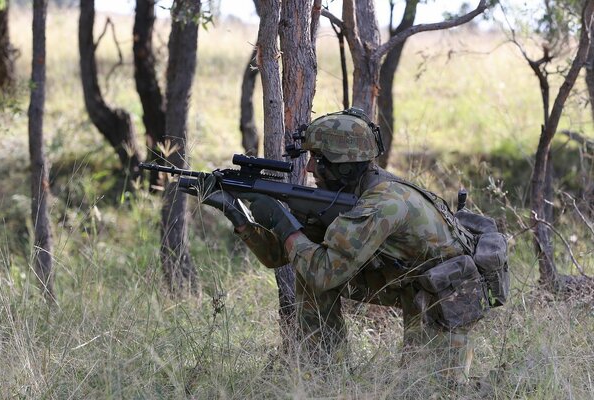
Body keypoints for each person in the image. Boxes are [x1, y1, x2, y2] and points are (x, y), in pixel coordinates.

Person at [199, 108, 489, 385]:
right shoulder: (349, 192)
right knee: (308, 260)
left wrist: (282, 221)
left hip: (446, 298)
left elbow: (322, 272)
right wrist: (238, 216)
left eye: (318, 158)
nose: (310, 166)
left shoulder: (383, 204)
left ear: (345, 166)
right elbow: (280, 255)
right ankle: (324, 372)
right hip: (408, 282)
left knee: (425, 389)